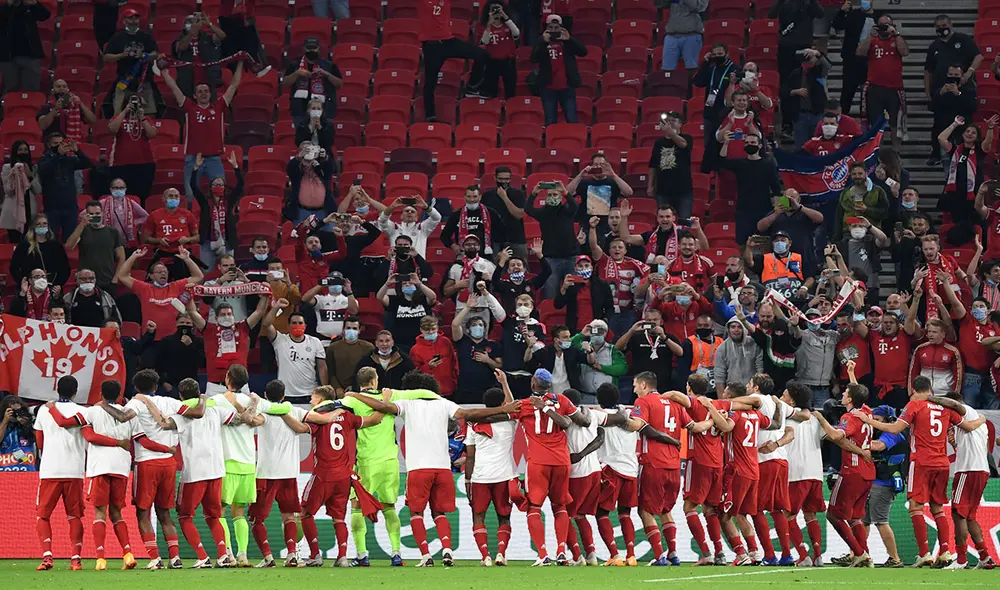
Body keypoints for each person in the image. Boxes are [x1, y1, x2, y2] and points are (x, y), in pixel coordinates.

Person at [346, 377, 516, 567]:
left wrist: (356, 395)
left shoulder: (408, 404)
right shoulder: (444, 404)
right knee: (439, 513)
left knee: (416, 513)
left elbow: (382, 407)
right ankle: (447, 550)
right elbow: (468, 413)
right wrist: (503, 409)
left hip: (419, 468)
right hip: (443, 468)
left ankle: (426, 556)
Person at [863, 375, 986, 567]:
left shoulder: (914, 405)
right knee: (938, 508)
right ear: (930, 389)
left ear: (913, 390)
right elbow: (969, 426)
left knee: (915, 506)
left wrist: (869, 421)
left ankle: (924, 553)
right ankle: (944, 551)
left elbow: (895, 429)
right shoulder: (945, 407)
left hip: (921, 462)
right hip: (942, 464)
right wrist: (981, 419)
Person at [99, 369, 207, 569]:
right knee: (165, 513)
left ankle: (155, 559)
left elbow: (123, 417)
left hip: (147, 463)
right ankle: (175, 558)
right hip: (169, 464)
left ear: (136, 387)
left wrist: (103, 404)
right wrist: (203, 399)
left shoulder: (135, 403)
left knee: (143, 513)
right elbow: (197, 413)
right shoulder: (171, 402)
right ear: (156, 386)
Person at [338, 367, 442, 566]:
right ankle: (396, 553)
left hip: (367, 462)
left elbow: (331, 407)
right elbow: (422, 393)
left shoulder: (352, 401)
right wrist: (440, 399)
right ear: (375, 380)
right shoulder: (391, 395)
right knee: (389, 507)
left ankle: (362, 555)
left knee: (357, 507)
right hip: (390, 462)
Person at [134, 378, 236, 568]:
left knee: (184, 515)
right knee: (213, 516)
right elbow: (241, 419)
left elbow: (163, 423)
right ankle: (223, 555)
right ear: (198, 393)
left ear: (181, 396)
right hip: (216, 471)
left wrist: (147, 401)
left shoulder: (180, 416)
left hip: (194, 473)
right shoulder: (216, 410)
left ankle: (202, 556)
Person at [626, 372, 699, 566]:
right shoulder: (675, 404)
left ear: (643, 385)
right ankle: (673, 553)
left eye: (635, 385)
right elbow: (693, 426)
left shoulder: (643, 402)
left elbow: (637, 425)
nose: (634, 389)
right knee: (666, 510)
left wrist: (621, 420)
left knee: (645, 510)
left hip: (653, 463)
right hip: (674, 466)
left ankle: (659, 556)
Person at [811, 365, 875, 567]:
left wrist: (821, 418)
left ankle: (859, 553)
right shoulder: (866, 412)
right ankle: (865, 555)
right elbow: (859, 393)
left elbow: (836, 435)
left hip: (852, 471)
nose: (843, 394)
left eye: (846, 393)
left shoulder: (850, 417)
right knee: (855, 517)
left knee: (834, 515)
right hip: (867, 472)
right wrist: (851, 374)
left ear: (850, 400)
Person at [160, 60, 243, 200]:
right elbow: (174, 87)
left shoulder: (219, 106)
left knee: (220, 194)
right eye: (200, 91)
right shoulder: (189, 107)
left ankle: (217, 215)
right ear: (194, 95)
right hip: (193, 158)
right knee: (190, 195)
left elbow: (234, 85)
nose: (203, 94)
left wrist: (240, 62)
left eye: (206, 91)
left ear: (210, 94)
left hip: (214, 159)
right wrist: (164, 72)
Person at [931, 394, 995, 570]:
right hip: (980, 470)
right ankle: (985, 557)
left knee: (958, 513)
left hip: (968, 470)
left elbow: (954, 404)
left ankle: (961, 559)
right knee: (969, 516)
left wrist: (931, 398)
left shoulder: (967, 411)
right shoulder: (976, 422)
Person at [244, 381, 305, 567]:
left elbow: (252, 420)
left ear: (265, 395)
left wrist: (252, 405)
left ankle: (268, 558)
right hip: (289, 473)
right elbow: (315, 418)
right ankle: (291, 555)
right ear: (284, 395)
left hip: (267, 474)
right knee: (289, 516)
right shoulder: (294, 411)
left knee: (256, 519)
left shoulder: (265, 414)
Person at [32, 377, 89, 570]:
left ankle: (47, 557)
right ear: (76, 391)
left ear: (57, 389)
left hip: (50, 470)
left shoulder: (44, 410)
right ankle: (75, 559)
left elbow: (39, 442)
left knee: (43, 516)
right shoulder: (83, 411)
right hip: (74, 470)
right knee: (74, 516)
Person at [464, 384, 517, 566]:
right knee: (504, 517)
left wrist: (467, 480)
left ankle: (485, 556)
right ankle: (501, 554)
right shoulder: (510, 422)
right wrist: (505, 383)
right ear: (502, 403)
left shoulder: (474, 425)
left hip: (480, 477)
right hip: (504, 476)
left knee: (478, 516)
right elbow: (512, 407)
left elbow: (470, 457)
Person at [115, 246, 205, 344]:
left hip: (172, 339)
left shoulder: (176, 286)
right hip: (150, 339)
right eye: (159, 272)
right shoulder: (144, 288)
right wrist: (134, 257)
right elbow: (122, 276)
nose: (163, 274)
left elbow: (198, 276)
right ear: (151, 276)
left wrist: (187, 259)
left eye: (165, 272)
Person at [924, 14, 983, 161]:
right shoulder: (934, 46)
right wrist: (928, 90)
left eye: (944, 26)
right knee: (939, 122)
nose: (941, 29)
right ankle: (936, 153)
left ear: (950, 25)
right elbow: (928, 70)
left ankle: (964, 153)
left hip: (963, 87)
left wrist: (969, 72)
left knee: (963, 120)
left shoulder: (963, 40)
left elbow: (979, 56)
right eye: (938, 26)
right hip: (941, 88)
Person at [419, 0, 489, 119]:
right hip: (431, 47)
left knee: (482, 55)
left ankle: (472, 86)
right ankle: (430, 116)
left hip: (448, 42)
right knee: (430, 83)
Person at [189, 297, 267, 395]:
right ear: (216, 318)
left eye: (229, 314)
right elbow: (192, 312)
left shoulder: (242, 327)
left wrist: (265, 295)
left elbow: (259, 312)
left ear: (233, 316)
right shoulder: (209, 330)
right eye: (223, 314)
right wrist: (189, 294)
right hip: (216, 387)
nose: (226, 317)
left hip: (241, 386)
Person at [718, 133, 784, 245]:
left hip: (764, 209)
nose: (749, 144)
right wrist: (726, 143)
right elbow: (721, 161)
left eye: (753, 142)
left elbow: (776, 188)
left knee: (765, 242)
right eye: (747, 142)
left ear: (759, 146)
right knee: (742, 243)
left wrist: (776, 210)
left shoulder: (768, 164)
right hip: (743, 210)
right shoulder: (740, 164)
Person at [862, 405, 906, 568]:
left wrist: (856, 441)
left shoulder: (892, 433)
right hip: (875, 481)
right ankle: (858, 554)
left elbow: (879, 446)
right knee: (864, 520)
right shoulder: (882, 433)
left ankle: (895, 558)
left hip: (884, 483)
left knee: (881, 521)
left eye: (878, 420)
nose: (874, 423)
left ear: (888, 420)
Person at [588, 222, 649, 339]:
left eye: (620, 247)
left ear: (625, 250)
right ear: (609, 250)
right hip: (608, 312)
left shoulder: (634, 264)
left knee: (626, 340)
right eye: (614, 247)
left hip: (628, 312)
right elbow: (593, 246)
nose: (617, 249)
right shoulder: (604, 261)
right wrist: (592, 228)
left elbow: (650, 273)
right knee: (609, 339)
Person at [857, 14, 907, 148]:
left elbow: (904, 52)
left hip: (894, 88)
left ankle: (896, 154)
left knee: (896, 124)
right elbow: (860, 52)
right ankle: (877, 153)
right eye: (881, 25)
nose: (884, 27)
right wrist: (870, 35)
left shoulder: (896, 39)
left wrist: (896, 33)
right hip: (875, 88)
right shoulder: (872, 40)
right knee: (876, 125)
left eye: (886, 25)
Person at [264, 301, 329, 404]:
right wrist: (276, 307)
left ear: (305, 326)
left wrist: (325, 391)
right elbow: (266, 324)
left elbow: (322, 367)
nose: (297, 325)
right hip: (286, 395)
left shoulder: (315, 342)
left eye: (300, 323)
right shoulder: (279, 340)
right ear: (288, 326)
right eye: (294, 323)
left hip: (310, 395)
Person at [938, 117, 995, 230]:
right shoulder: (955, 149)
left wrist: (990, 128)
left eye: (973, 133)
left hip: (974, 194)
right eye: (967, 131)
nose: (969, 134)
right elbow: (941, 138)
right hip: (956, 194)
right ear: (963, 134)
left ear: (977, 137)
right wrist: (955, 124)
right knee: (958, 224)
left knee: (976, 224)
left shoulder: (979, 150)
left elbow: (988, 142)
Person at [191, 152, 245, 271]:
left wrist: (235, 167)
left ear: (224, 187)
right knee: (206, 272)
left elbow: (240, 185)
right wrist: (196, 168)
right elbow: (194, 187)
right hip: (207, 242)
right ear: (211, 187)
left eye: (221, 184)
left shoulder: (229, 201)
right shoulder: (205, 202)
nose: (218, 186)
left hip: (227, 241)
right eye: (216, 184)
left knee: (229, 272)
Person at [525, 181, 578, 298]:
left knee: (573, 293)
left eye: (555, 194)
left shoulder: (566, 210)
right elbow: (528, 209)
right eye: (549, 195)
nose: (552, 197)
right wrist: (534, 193)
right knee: (550, 293)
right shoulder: (543, 212)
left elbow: (574, 206)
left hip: (571, 257)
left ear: (560, 197)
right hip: (551, 259)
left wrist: (565, 191)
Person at [38, 133, 95, 241]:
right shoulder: (44, 159)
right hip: (52, 207)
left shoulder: (69, 159)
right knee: (51, 239)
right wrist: (58, 155)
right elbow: (44, 170)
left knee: (70, 239)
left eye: (61, 143)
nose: (59, 146)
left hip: (70, 207)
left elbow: (87, 164)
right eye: (55, 143)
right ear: (49, 144)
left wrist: (77, 151)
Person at [103, 8, 160, 115]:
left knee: (149, 114)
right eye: (130, 18)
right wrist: (122, 55)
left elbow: (155, 54)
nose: (134, 21)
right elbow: (106, 58)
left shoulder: (146, 36)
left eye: (136, 18)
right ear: (124, 21)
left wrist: (145, 55)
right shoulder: (117, 38)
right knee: (118, 113)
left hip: (143, 81)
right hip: (124, 81)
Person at [532, 15, 586, 125]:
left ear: (561, 28)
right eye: (550, 28)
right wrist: (543, 42)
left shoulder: (567, 42)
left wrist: (570, 39)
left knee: (572, 120)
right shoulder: (541, 42)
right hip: (548, 87)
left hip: (567, 87)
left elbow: (583, 52)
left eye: (556, 28)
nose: (553, 30)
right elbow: (533, 58)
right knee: (550, 121)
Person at [568, 153, 634, 240]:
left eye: (602, 164)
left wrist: (613, 175)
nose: (598, 166)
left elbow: (628, 192)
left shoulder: (613, 182)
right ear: (591, 166)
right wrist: (580, 175)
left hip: (609, 225)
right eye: (595, 164)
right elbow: (568, 193)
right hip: (587, 224)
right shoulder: (584, 182)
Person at [66, 200, 126, 292]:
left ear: (102, 213)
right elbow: (69, 246)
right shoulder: (82, 230)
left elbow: (121, 257)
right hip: (85, 280)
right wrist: (82, 224)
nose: (95, 216)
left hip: (107, 280)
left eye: (97, 213)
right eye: (91, 214)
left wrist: (115, 279)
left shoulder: (112, 232)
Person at [142, 188, 201, 279]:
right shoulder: (154, 215)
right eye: (170, 196)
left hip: (183, 254)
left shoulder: (188, 214)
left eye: (176, 196)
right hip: (163, 254)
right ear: (163, 198)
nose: (174, 198)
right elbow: (146, 238)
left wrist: (187, 239)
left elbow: (197, 237)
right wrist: (159, 241)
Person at [832, 0, 878, 114]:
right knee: (847, 94)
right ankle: (842, 119)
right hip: (852, 60)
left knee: (868, 96)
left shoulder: (878, 17)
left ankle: (867, 120)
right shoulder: (853, 15)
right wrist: (842, 11)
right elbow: (837, 25)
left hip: (871, 61)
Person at [282, 38, 342, 124]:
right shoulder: (294, 65)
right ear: (304, 49)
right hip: (300, 109)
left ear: (318, 48)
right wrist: (296, 73)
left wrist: (326, 74)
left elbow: (339, 84)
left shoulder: (329, 65)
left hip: (325, 110)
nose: (312, 50)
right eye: (309, 48)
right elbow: (285, 84)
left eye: (314, 48)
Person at [451, 304, 503, 403]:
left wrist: (488, 360)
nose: (478, 327)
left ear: (484, 329)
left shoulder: (493, 345)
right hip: (465, 390)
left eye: (480, 325)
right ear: (468, 330)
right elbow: (455, 325)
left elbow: (499, 366)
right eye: (474, 325)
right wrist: (467, 307)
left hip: (487, 390)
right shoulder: (462, 342)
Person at [783, 47, 833, 149]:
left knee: (818, 145)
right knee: (801, 147)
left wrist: (818, 54)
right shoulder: (796, 73)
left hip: (817, 114)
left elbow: (827, 66)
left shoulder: (818, 72)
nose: (809, 61)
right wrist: (795, 91)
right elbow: (784, 91)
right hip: (800, 115)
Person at [928, 72, 979, 168]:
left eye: (956, 75)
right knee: (947, 166)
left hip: (961, 135)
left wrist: (958, 94)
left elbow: (972, 107)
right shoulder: (940, 91)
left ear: (962, 76)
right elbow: (931, 108)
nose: (953, 77)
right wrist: (940, 94)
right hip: (944, 133)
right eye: (950, 74)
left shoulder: (969, 91)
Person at [692, 43, 739, 144]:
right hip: (710, 110)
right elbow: (697, 82)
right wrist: (705, 63)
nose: (717, 56)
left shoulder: (735, 69)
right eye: (714, 54)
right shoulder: (710, 68)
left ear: (727, 54)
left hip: (727, 111)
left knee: (726, 143)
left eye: (720, 54)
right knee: (709, 144)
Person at [171, 12, 225, 98]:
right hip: (187, 79)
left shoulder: (207, 37)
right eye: (189, 22)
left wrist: (209, 24)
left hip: (207, 77)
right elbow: (180, 47)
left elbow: (222, 36)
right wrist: (191, 33)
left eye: (194, 21)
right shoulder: (180, 39)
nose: (192, 23)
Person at [648, 112, 693, 216]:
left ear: (680, 124)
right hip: (663, 189)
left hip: (683, 189)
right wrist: (650, 186)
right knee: (664, 219)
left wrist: (670, 132)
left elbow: (683, 144)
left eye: (673, 121)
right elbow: (653, 165)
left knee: (684, 220)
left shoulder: (687, 138)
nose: (670, 123)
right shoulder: (659, 143)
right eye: (668, 121)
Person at [555, 255, 614, 334]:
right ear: (575, 268)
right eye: (580, 266)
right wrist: (563, 288)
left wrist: (604, 321)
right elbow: (558, 305)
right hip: (575, 329)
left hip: (596, 328)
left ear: (591, 267)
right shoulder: (571, 284)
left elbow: (610, 308)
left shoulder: (601, 284)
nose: (583, 268)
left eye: (586, 265)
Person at [9, 214, 69, 291]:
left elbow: (65, 269)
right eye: (38, 224)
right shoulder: (24, 246)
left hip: (51, 287)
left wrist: (58, 285)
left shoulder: (56, 246)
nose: (42, 226)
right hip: (29, 288)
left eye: (44, 223)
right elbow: (14, 268)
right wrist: (24, 283)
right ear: (33, 227)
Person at [441, 186, 505, 258]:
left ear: (480, 197)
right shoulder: (456, 214)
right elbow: (444, 236)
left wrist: (501, 250)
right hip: (464, 255)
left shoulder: (490, 213)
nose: (472, 200)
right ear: (464, 197)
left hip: (486, 254)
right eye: (469, 196)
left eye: (475, 196)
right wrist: (453, 246)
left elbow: (502, 234)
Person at [770, 0, 823, 86]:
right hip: (786, 45)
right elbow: (771, 15)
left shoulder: (808, 2)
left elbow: (820, 14)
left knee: (804, 78)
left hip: (804, 45)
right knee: (785, 78)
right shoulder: (784, 2)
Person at [0, 0, 49, 92]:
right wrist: (8, 5)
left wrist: (36, 4)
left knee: (31, 90)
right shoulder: (4, 8)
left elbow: (45, 15)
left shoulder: (30, 6)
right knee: (11, 90)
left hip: (30, 54)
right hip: (8, 57)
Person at [525, 325, 588, 395]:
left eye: (569, 336)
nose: (569, 339)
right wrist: (530, 347)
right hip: (550, 392)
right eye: (565, 337)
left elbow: (589, 361)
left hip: (569, 393)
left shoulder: (573, 351)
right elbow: (528, 361)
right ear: (556, 339)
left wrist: (589, 351)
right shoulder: (545, 352)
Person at [481, 167, 528, 259]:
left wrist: (504, 197)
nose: (503, 182)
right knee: (496, 266)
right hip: (495, 239)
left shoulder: (518, 194)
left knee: (519, 265)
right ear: (495, 178)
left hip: (516, 238)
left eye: (506, 179)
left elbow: (518, 215)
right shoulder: (487, 195)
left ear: (510, 179)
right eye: (500, 179)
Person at [477, 1, 519, 99]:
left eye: (498, 9)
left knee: (510, 90)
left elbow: (516, 33)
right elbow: (484, 42)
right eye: (493, 10)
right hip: (492, 61)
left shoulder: (508, 25)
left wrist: (505, 16)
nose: (496, 12)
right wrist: (489, 25)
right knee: (491, 91)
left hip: (508, 61)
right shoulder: (484, 26)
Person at [376, 196, 441, 259]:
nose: (409, 212)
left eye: (413, 212)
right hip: (396, 264)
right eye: (407, 211)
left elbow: (437, 218)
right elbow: (381, 220)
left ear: (417, 218)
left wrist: (426, 207)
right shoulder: (393, 228)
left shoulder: (422, 229)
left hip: (417, 264)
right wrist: (392, 207)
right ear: (401, 216)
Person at [836, 162, 889, 239]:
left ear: (866, 174)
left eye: (860, 173)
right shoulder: (845, 193)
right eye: (854, 174)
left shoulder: (877, 191)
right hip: (848, 233)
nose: (857, 176)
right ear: (850, 175)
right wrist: (836, 239)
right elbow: (839, 218)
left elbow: (885, 213)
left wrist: (867, 210)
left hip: (871, 232)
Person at [1, 140, 41, 242]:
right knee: (15, 244)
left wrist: (30, 176)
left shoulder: (34, 168)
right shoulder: (7, 168)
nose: (23, 152)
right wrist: (15, 176)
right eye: (20, 150)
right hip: (13, 214)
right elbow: (8, 192)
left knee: (30, 244)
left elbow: (37, 190)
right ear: (15, 152)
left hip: (30, 212)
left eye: (26, 150)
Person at [155, 313, 205, 393]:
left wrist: (190, 345)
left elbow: (202, 362)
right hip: (171, 384)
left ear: (193, 325)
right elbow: (158, 364)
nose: (185, 325)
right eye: (182, 322)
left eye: (188, 323)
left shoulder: (199, 341)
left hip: (192, 384)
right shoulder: (167, 341)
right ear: (176, 323)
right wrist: (163, 382)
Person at [409, 316, 458, 397]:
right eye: (427, 329)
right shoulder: (415, 349)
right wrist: (428, 366)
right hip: (428, 392)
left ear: (437, 328)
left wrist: (455, 381)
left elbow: (454, 363)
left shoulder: (446, 342)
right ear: (421, 330)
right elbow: (415, 373)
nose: (431, 332)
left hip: (449, 389)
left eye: (433, 329)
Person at [326, 317, 374, 397]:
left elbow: (370, 371)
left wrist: (355, 386)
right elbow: (330, 371)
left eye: (354, 328)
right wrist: (337, 388)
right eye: (348, 328)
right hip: (338, 391)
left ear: (359, 330)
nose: (351, 330)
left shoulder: (368, 347)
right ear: (343, 330)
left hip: (361, 391)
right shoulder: (333, 347)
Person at [98, 178, 149, 250]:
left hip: (126, 240)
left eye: (121, 188)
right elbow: (85, 213)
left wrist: (134, 222)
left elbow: (146, 216)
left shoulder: (131, 203)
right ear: (111, 189)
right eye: (116, 188)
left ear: (125, 189)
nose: (118, 190)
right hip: (108, 239)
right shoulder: (103, 202)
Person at [661, 0, 707, 71]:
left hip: (691, 35)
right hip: (671, 35)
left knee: (693, 69)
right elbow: (660, 4)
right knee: (667, 70)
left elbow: (700, 7)